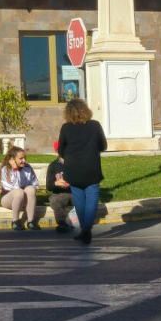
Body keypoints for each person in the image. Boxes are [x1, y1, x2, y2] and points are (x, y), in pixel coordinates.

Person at [58, 98, 106, 245]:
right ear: (86, 110)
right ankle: (86, 230)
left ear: (68, 113)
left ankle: (84, 231)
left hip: (73, 169)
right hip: (91, 168)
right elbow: (103, 145)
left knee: (79, 202)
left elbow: (61, 150)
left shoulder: (66, 128)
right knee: (91, 201)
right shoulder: (95, 125)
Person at [0, 146, 39, 231]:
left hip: (23, 198)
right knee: (18, 192)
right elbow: (14, 188)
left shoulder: (27, 168)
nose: (24, 160)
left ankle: (31, 221)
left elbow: (34, 183)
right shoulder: (6, 169)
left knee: (31, 189)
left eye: (24, 158)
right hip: (8, 199)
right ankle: (15, 221)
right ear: (13, 159)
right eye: (21, 158)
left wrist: (29, 188)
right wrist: (15, 170)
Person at [45, 140, 74, 233]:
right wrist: (56, 184)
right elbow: (49, 186)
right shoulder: (53, 166)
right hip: (60, 193)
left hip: (75, 191)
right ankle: (62, 223)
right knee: (54, 201)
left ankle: (76, 222)